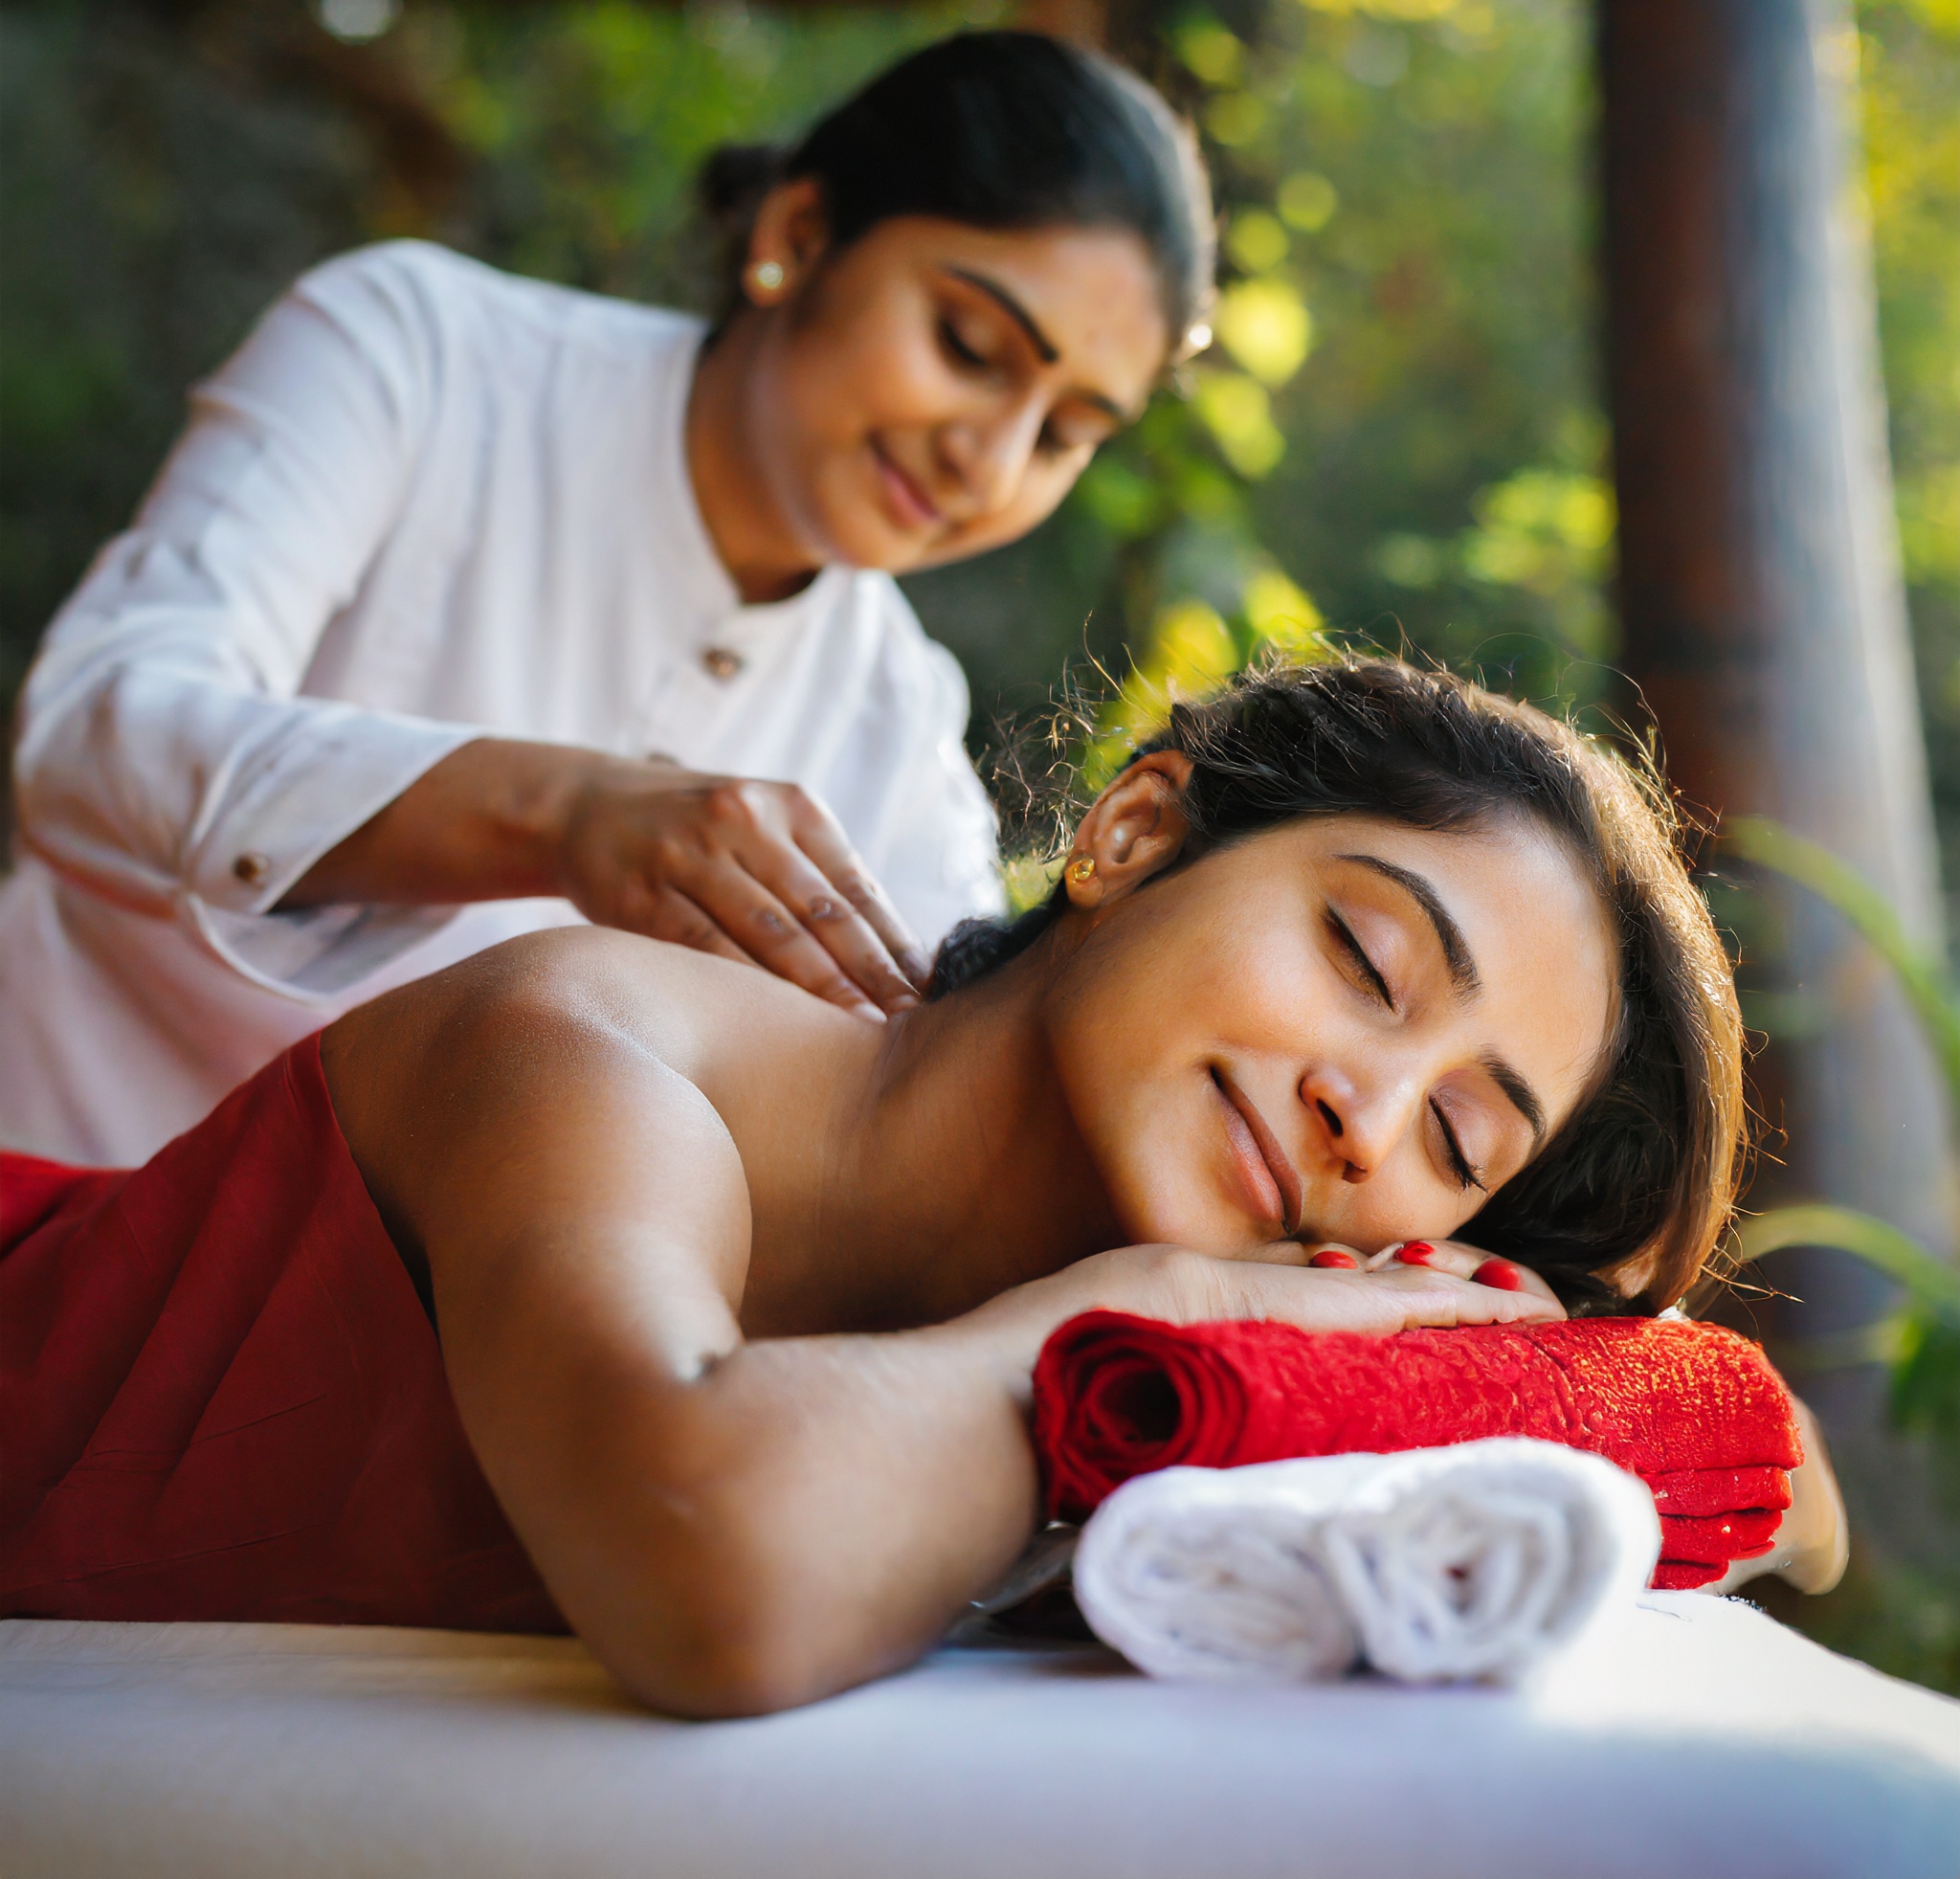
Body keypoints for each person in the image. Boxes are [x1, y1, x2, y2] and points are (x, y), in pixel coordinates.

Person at [2, 660, 1845, 1715]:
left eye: (1459, 1138)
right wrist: (1178, 1313)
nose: (1366, 1110)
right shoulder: (597, 1046)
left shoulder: (1180, 1397)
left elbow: (1796, 1497)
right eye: (1366, 961)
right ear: (1132, 831)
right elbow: (707, 1561)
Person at [0, 31, 1213, 1163]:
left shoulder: (891, 718)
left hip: (353, 1370)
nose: (989, 463)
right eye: (964, 343)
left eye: (1062, 433)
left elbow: (951, 1088)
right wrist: (560, 811)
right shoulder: (417, 352)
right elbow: (85, 733)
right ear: (795, 230)